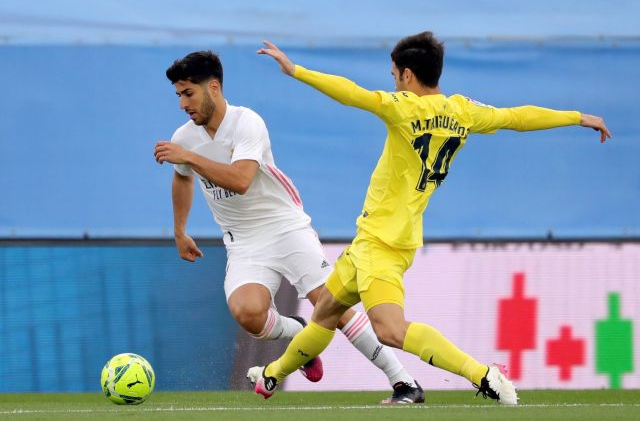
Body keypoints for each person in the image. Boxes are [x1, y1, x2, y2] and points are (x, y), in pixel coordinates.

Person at [248, 32, 612, 405]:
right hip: (378, 238)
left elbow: (353, 93)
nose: (392, 81)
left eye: (393, 74)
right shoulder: (463, 112)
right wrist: (577, 117)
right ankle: (272, 376)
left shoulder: (405, 108)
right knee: (325, 312)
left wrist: (297, 71)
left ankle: (484, 376)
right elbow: (517, 117)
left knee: (390, 330)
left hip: (381, 244)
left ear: (407, 75)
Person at [153, 50, 425, 404]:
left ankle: (404, 382)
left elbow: (241, 180)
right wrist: (180, 230)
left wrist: (187, 156)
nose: (182, 104)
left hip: (285, 228)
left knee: (331, 307)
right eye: (178, 95)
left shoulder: (246, 123)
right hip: (244, 243)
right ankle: (299, 336)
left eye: (188, 93)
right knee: (248, 314)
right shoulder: (184, 136)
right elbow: (182, 179)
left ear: (214, 87)